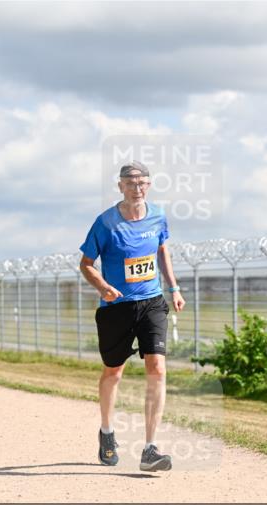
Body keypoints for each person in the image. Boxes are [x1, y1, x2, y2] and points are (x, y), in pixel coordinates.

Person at [78, 161, 186, 472]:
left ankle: (150, 448)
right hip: (117, 306)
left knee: (158, 368)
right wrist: (102, 285)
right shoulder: (106, 223)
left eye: (142, 183)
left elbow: (162, 250)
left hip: (152, 301)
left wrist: (174, 288)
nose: (137, 188)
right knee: (114, 372)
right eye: (130, 183)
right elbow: (86, 262)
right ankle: (107, 433)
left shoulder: (158, 216)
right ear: (120, 186)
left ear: (149, 185)